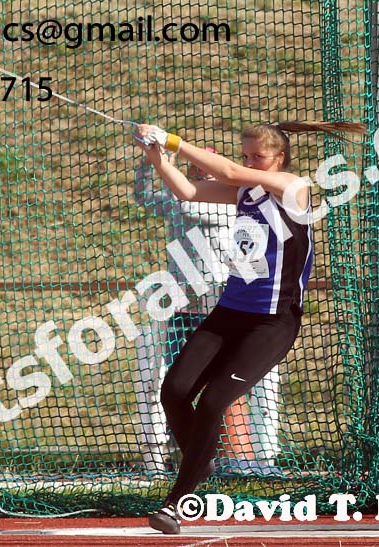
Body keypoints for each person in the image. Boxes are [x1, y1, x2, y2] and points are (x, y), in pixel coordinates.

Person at [133, 120, 365, 534]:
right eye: (246, 155)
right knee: (174, 392)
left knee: (212, 403)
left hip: (272, 323)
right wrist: (158, 159)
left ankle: (177, 500)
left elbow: (229, 173)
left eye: (258, 156)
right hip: (229, 313)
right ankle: (198, 466)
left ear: (280, 158)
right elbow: (188, 192)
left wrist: (173, 141)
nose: (249, 162)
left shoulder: (295, 188)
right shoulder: (246, 193)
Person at [132, 150, 282, 477]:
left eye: (208, 173)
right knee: (156, 377)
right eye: (196, 172)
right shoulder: (179, 199)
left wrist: (166, 164)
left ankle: (265, 457)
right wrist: (149, 159)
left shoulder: (233, 205)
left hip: (227, 306)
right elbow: (144, 196)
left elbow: (192, 204)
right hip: (182, 307)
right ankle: (155, 461)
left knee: (260, 377)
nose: (203, 178)